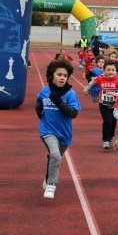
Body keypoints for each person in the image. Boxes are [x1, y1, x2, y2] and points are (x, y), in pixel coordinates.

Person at [36, 59, 81, 199]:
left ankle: (48, 177)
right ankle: (52, 185)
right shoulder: (45, 90)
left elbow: (73, 114)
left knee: (55, 157)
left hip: (64, 134)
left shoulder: (70, 94)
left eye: (65, 75)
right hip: (47, 131)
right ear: (51, 76)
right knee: (56, 155)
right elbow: (39, 104)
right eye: (59, 74)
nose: (62, 77)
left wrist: (59, 102)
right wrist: (41, 114)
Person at [84, 60, 118, 149]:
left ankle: (110, 137)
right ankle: (106, 140)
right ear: (104, 70)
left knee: (114, 122)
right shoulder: (100, 78)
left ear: (116, 71)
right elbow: (93, 82)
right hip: (103, 104)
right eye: (108, 70)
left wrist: (117, 94)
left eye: (113, 70)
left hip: (115, 105)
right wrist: (87, 89)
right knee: (107, 121)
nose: (111, 72)